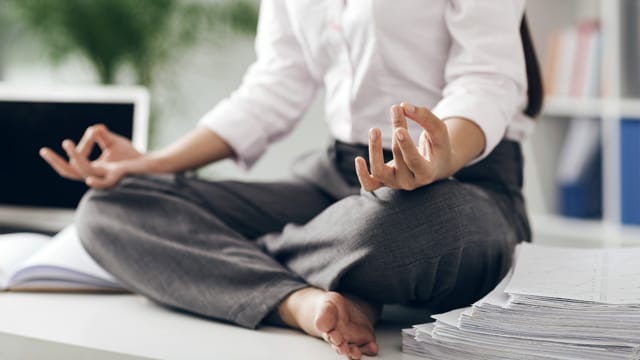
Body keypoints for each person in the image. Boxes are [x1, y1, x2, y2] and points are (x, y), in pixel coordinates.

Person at [40, 1, 541, 359]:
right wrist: (154, 163)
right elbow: (277, 81)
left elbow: (487, 78)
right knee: (111, 208)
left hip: (459, 181)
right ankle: (298, 300)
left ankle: (224, 259)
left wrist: (438, 157)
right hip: (337, 179)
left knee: (407, 228)